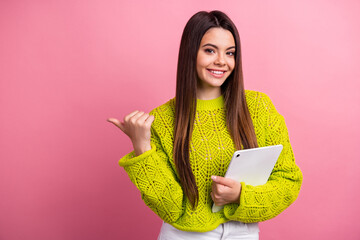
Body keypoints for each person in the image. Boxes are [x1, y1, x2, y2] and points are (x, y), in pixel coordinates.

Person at [107, 10, 302, 240]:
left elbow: (289, 181)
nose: (221, 61)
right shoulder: (163, 120)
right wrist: (142, 148)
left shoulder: (259, 107)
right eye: (210, 50)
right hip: (182, 235)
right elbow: (170, 208)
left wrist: (241, 195)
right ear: (191, 53)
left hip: (243, 233)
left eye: (230, 53)